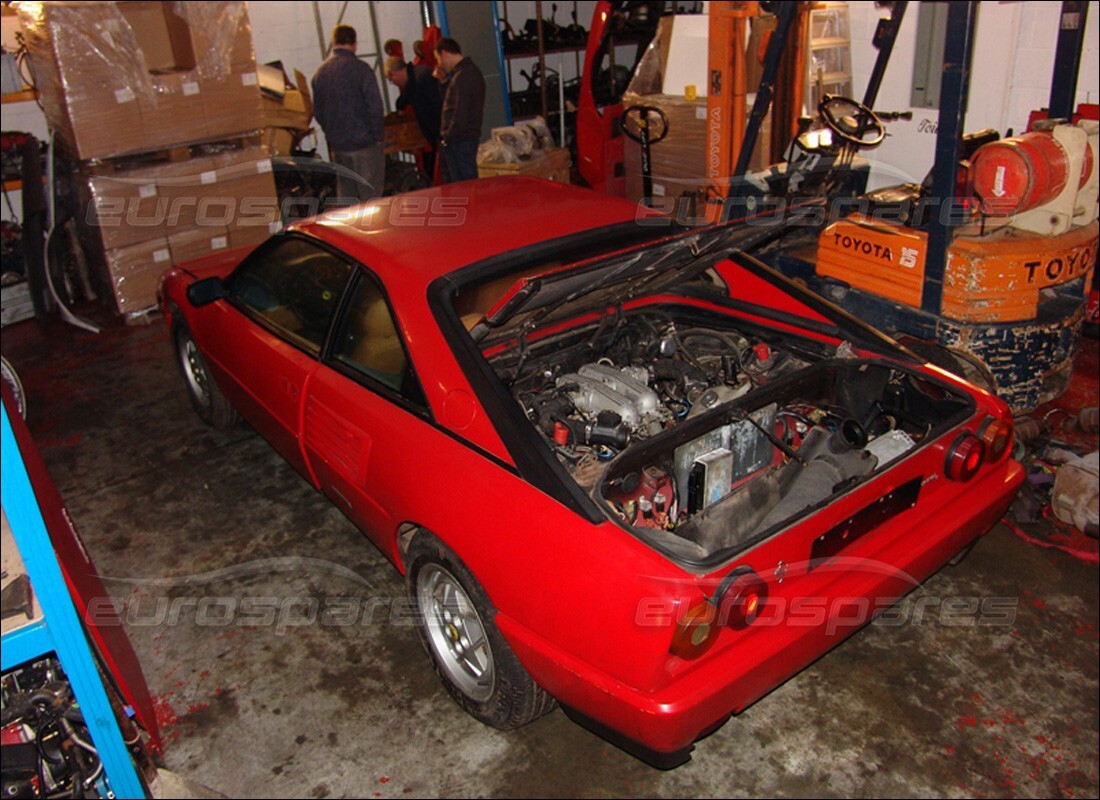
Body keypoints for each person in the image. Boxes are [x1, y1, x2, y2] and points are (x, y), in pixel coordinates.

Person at [311, 25, 385, 204]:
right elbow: (375, 106)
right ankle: (372, 231)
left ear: (334, 42)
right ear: (355, 44)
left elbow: (318, 111)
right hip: (365, 145)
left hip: (338, 146)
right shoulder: (362, 70)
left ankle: (348, 232)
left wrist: (332, 133)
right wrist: (378, 137)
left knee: (346, 198)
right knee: (371, 198)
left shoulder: (320, 73)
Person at [433, 37, 485, 183]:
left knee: (465, 186)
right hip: (461, 139)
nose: (440, 64)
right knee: (464, 185)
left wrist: (447, 138)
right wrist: (443, 84)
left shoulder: (463, 76)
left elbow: (459, 113)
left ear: (445, 54)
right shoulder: (465, 74)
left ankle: (471, 207)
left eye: (439, 59)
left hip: (460, 141)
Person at [385, 55, 443, 181]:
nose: (392, 83)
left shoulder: (422, 78)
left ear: (394, 74)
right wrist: (400, 107)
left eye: (391, 79)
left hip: (443, 133)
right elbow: (404, 98)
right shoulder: (412, 82)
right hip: (435, 134)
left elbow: (439, 105)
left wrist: (441, 134)